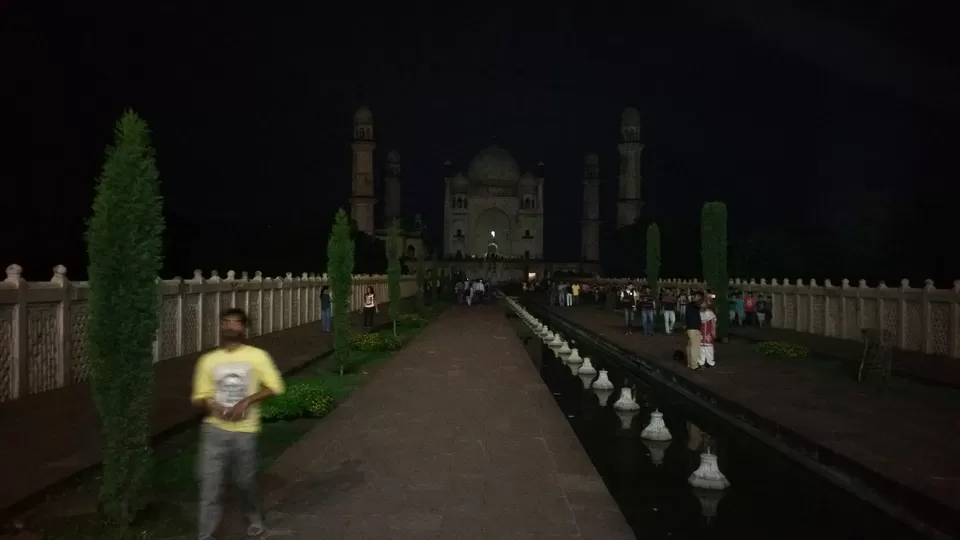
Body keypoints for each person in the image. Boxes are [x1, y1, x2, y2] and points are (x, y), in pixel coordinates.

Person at [191, 308, 285, 540]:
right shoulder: (208, 360)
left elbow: (275, 386)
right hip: (214, 430)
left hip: (245, 431)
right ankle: (205, 535)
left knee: (244, 482)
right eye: (227, 321)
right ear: (221, 326)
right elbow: (200, 395)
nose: (231, 326)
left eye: (236, 322)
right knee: (209, 485)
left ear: (244, 328)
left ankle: (253, 516)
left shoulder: (257, 357)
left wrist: (246, 401)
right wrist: (214, 408)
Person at [685, 293, 702, 370]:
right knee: (695, 348)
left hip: (689, 328)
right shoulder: (696, 305)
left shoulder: (689, 305)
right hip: (694, 329)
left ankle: (689, 363)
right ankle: (694, 365)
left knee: (689, 347)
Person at [698, 301, 717, 369]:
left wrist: (713, 331)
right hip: (700, 332)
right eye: (702, 303)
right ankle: (701, 362)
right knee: (701, 348)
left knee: (709, 348)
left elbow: (713, 322)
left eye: (704, 303)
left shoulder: (710, 313)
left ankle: (710, 362)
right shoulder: (698, 313)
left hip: (708, 332)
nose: (703, 304)